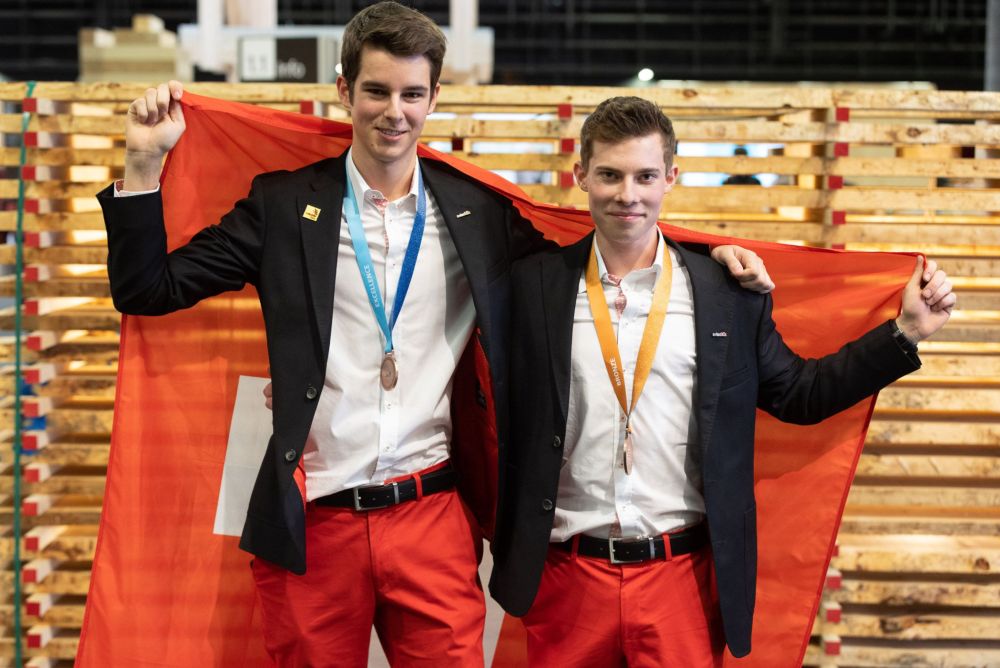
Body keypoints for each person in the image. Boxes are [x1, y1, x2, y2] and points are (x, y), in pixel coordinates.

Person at [97, 2, 773, 664]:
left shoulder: (475, 213)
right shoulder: (282, 207)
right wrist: (143, 165)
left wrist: (706, 260)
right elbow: (147, 289)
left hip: (431, 513)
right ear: (345, 91)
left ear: (433, 98)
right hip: (313, 519)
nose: (394, 112)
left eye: (412, 94)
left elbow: (587, 256)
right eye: (377, 91)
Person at [488, 96, 955, 666]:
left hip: (681, 579)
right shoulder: (532, 286)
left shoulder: (724, 293)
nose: (627, 194)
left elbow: (800, 394)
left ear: (671, 177)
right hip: (567, 576)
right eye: (609, 175)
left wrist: (906, 332)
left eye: (645, 176)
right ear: (581, 174)